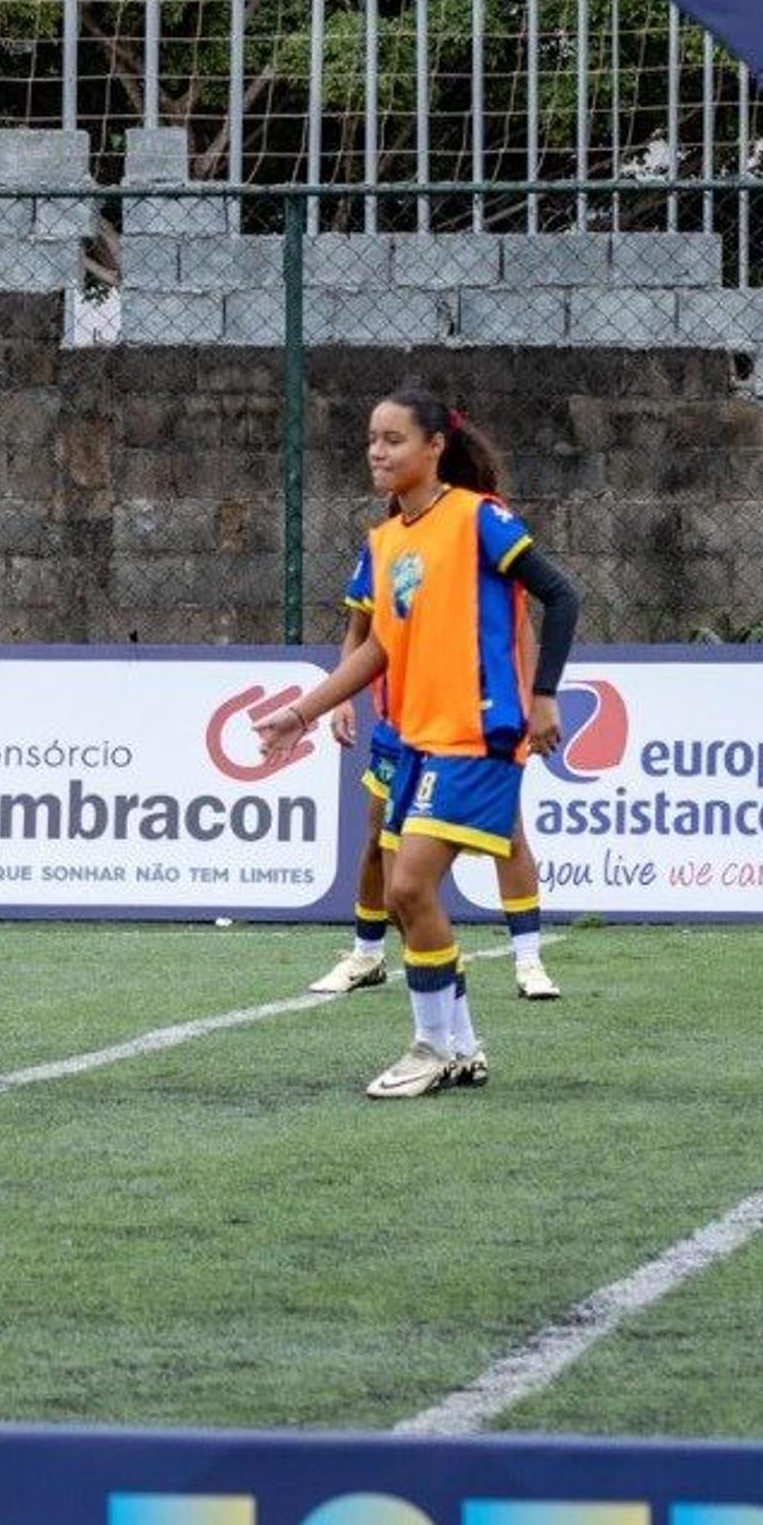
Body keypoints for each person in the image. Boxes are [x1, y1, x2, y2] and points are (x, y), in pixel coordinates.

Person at [257, 389, 583, 1098]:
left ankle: (432, 1045)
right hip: (416, 742)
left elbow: (562, 596)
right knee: (407, 897)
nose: (378, 451)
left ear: (435, 445)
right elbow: (378, 648)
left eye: (394, 438)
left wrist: (543, 693)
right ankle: (460, 1047)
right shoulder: (385, 543)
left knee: (408, 886)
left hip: (478, 734)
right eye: (373, 438)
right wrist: (302, 712)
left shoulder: (478, 519)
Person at [307, 602, 561, 1004]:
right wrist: (338, 700)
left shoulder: (480, 545)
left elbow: (522, 621)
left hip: (470, 723)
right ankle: (366, 956)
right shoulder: (381, 552)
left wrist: (534, 697)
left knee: (509, 835)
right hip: (400, 728)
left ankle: (528, 961)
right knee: (379, 844)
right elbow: (364, 635)